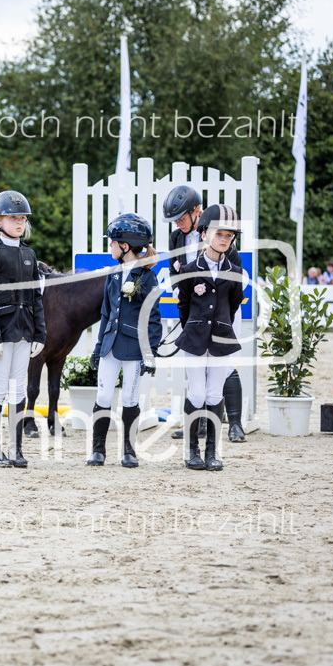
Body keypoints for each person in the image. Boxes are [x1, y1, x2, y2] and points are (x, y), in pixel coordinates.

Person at [163, 186, 246, 443]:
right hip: (196, 308)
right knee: (198, 365)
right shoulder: (176, 238)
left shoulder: (219, 237)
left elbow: (233, 280)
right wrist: (186, 299)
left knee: (226, 364)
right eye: (175, 220)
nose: (178, 223)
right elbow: (176, 271)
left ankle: (235, 423)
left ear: (196, 211)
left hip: (223, 307)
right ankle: (198, 424)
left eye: (182, 218)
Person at [0, 191, 46, 469]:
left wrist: (39, 333)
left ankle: (16, 449)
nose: (19, 222)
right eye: (12, 217)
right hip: (1, 331)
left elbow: (36, 296)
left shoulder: (29, 253)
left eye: (22, 218)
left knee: (18, 389)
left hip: (24, 330)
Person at [88, 214, 162, 468]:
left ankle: (129, 450)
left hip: (133, 347)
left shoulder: (147, 277)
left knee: (130, 399)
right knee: (104, 395)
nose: (109, 247)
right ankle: (98, 450)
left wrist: (149, 354)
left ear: (125, 246)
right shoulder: (113, 274)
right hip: (110, 345)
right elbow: (106, 313)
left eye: (112, 243)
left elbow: (152, 318)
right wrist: (98, 347)